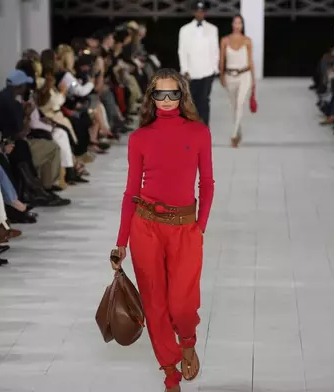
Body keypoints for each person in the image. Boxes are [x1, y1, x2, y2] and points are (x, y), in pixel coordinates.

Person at [113, 68, 214, 392]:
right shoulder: (139, 138)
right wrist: (121, 243)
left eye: (173, 93)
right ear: (152, 98)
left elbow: (207, 183)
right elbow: (131, 191)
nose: (167, 100)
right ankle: (170, 373)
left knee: (183, 305)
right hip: (146, 228)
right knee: (155, 304)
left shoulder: (199, 133)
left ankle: (187, 342)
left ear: (182, 96)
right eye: (161, 94)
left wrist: (200, 226)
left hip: (185, 228)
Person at [178, 1, 219, 126]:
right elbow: (182, 51)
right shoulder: (184, 30)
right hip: (191, 72)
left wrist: (214, 69)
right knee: (191, 101)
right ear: (194, 12)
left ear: (205, 12)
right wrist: (185, 70)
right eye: (197, 11)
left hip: (207, 71)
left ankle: (204, 128)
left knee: (204, 101)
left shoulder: (213, 29)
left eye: (202, 11)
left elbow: (215, 50)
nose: (199, 13)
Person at [219, 14, 255, 148]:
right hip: (230, 75)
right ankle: (239, 131)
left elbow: (251, 61)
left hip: (244, 75)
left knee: (240, 103)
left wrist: (254, 80)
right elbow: (222, 60)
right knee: (234, 107)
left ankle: (234, 135)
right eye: (235, 22)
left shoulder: (247, 41)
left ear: (242, 25)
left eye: (240, 23)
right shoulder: (224, 40)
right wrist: (221, 75)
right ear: (232, 24)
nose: (237, 25)